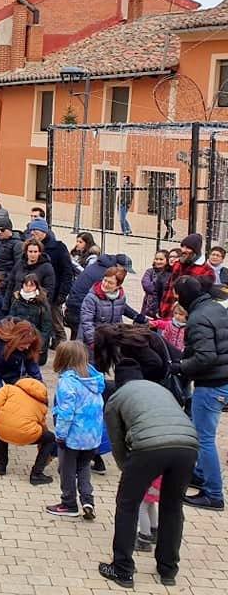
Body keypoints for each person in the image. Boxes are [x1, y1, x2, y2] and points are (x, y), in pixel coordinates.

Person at [99, 362, 198, 589]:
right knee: (173, 507)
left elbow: (117, 441)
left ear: (119, 381)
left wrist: (127, 470)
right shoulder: (162, 389)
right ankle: (168, 570)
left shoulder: (117, 398)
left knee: (127, 504)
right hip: (188, 446)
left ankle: (122, 569)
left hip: (149, 447)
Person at [170, 276, 228, 511]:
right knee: (202, 432)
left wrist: (180, 367)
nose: (176, 298)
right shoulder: (215, 307)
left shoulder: (197, 319)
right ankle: (201, 474)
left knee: (204, 438)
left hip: (212, 383)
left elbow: (206, 357)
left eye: (177, 294)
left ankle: (213, 493)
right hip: (222, 378)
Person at [47, 341, 106, 518]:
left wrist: (60, 435)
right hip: (92, 436)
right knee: (84, 467)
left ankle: (68, 503)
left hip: (73, 436)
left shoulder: (67, 382)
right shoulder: (94, 379)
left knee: (67, 470)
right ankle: (88, 500)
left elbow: (66, 412)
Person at [0, 376, 55, 484]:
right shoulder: (42, 405)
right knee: (50, 438)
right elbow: (42, 424)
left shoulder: (9, 389)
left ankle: (1, 466)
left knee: (1, 424)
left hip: (3, 431)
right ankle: (36, 474)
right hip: (27, 436)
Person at [65, 252, 139, 339]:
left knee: (76, 343)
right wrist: (136, 316)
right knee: (80, 343)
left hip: (74, 306)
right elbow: (117, 303)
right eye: (125, 270)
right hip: (80, 309)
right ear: (118, 266)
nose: (125, 274)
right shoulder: (106, 277)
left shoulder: (101, 266)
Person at [26, 220, 75, 348]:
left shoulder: (58, 248)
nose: (32, 233)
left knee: (56, 324)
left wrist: (63, 294)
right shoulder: (31, 247)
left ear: (43, 231)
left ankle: (63, 348)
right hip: (35, 291)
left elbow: (67, 272)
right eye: (31, 231)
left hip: (55, 294)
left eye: (35, 231)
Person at [159, 234, 214, 318]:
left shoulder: (207, 271)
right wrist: (161, 309)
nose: (183, 250)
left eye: (188, 248)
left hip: (184, 319)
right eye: (182, 246)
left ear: (195, 251)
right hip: (166, 314)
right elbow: (168, 288)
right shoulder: (177, 264)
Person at [79, 266, 129, 351]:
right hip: (91, 342)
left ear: (118, 286)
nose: (105, 284)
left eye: (110, 283)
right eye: (105, 280)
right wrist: (92, 341)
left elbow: (118, 319)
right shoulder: (91, 297)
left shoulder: (121, 297)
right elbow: (86, 321)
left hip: (109, 342)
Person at [141, 249, 171, 318]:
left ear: (167, 261)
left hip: (163, 307)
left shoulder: (170, 274)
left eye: (161, 259)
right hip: (148, 308)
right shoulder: (149, 272)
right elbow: (147, 287)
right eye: (156, 259)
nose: (158, 261)